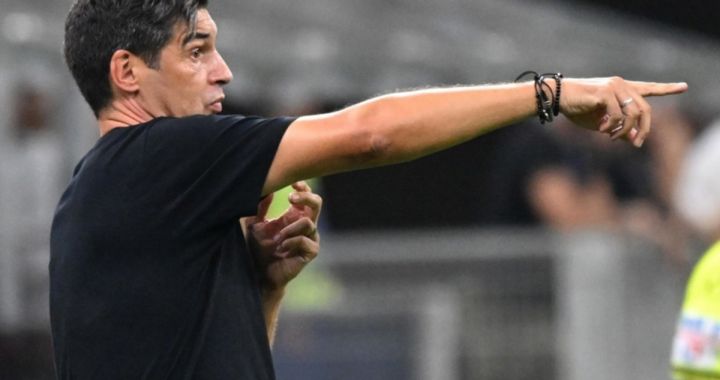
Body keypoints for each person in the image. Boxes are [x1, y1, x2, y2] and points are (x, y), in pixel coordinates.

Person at [53, 0, 687, 379]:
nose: (223, 71)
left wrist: (264, 291)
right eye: (197, 51)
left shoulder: (108, 191)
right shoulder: (161, 154)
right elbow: (369, 135)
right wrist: (550, 93)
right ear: (127, 72)